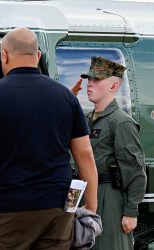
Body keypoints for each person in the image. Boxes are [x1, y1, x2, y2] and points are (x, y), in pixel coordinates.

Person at [0, 27, 98, 250]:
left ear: (4, 55)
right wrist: (91, 205)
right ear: (38, 56)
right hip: (58, 210)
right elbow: (85, 154)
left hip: (10, 209)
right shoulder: (65, 97)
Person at [74, 56, 147, 250]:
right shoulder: (87, 119)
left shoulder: (120, 122)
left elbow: (135, 170)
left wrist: (131, 211)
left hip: (109, 197)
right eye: (89, 79)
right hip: (85, 193)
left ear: (113, 87)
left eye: (96, 80)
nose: (90, 84)